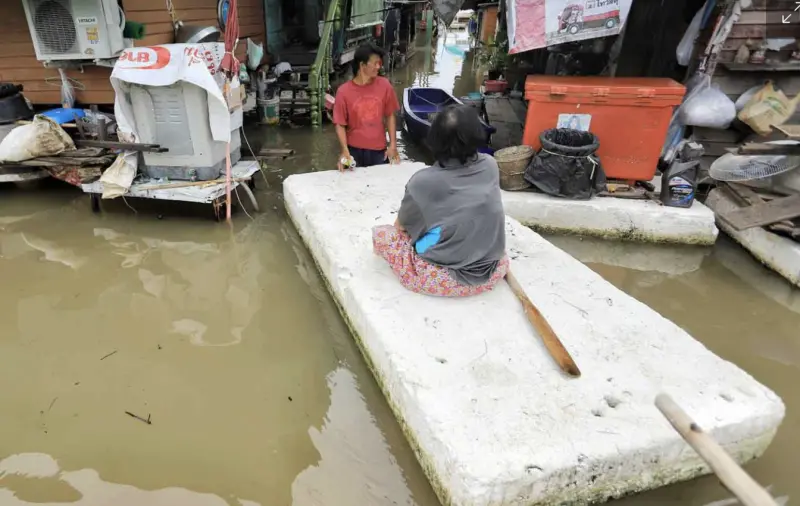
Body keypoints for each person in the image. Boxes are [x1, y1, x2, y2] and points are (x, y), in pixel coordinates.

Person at [372, 105, 508, 297]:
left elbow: (401, 226)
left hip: (446, 280)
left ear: (435, 140)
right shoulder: (490, 164)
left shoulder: (422, 181)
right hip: (494, 270)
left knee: (383, 235)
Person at [333, 43, 401, 170]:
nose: (378, 67)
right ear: (362, 65)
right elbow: (340, 124)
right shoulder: (343, 91)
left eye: (379, 63)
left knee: (381, 186)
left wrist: (393, 145)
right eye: (374, 63)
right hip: (353, 151)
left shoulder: (385, 85)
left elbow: (390, 116)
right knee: (349, 184)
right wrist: (344, 151)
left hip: (379, 151)